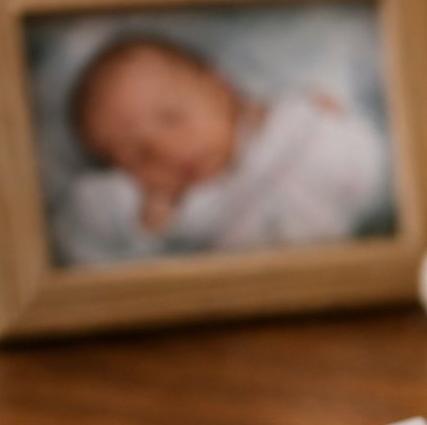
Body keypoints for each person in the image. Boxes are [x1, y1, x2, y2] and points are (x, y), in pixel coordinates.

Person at [53, 35, 389, 266]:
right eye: (139, 156)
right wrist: (154, 222)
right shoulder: (189, 217)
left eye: (172, 118)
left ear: (220, 85)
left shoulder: (291, 119)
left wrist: (318, 115)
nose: (168, 152)